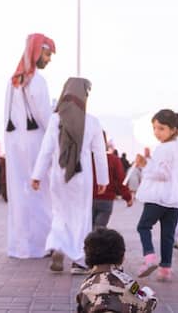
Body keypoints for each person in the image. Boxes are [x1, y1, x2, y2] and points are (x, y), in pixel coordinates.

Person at [31, 77, 109, 274]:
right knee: (81, 216)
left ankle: (58, 247)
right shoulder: (92, 121)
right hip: (82, 177)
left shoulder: (56, 119)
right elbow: (100, 154)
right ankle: (79, 261)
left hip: (59, 175)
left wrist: (37, 175)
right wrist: (103, 180)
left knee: (60, 213)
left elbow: (46, 150)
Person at [4, 33, 55, 259]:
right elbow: (45, 117)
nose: (49, 59)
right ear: (36, 52)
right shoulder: (38, 81)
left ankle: (20, 246)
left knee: (19, 194)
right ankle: (39, 245)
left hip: (15, 144)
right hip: (35, 143)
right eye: (47, 54)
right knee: (40, 193)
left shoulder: (13, 81)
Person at [134, 110, 178, 281]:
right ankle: (165, 269)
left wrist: (144, 165)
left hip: (158, 197)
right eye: (155, 128)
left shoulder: (163, 148)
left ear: (173, 129)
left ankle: (149, 258)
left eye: (161, 128)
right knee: (168, 234)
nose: (157, 132)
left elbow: (163, 174)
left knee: (143, 226)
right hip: (174, 199)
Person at [76, 228, 158, 313]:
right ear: (122, 257)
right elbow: (145, 303)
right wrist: (151, 298)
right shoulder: (127, 281)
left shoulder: (86, 285)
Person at [91, 132, 133, 229]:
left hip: (88, 199)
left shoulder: (85, 160)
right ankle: (97, 243)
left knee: (87, 228)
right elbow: (120, 180)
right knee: (99, 228)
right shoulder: (113, 160)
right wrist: (127, 197)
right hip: (106, 199)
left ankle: (87, 243)